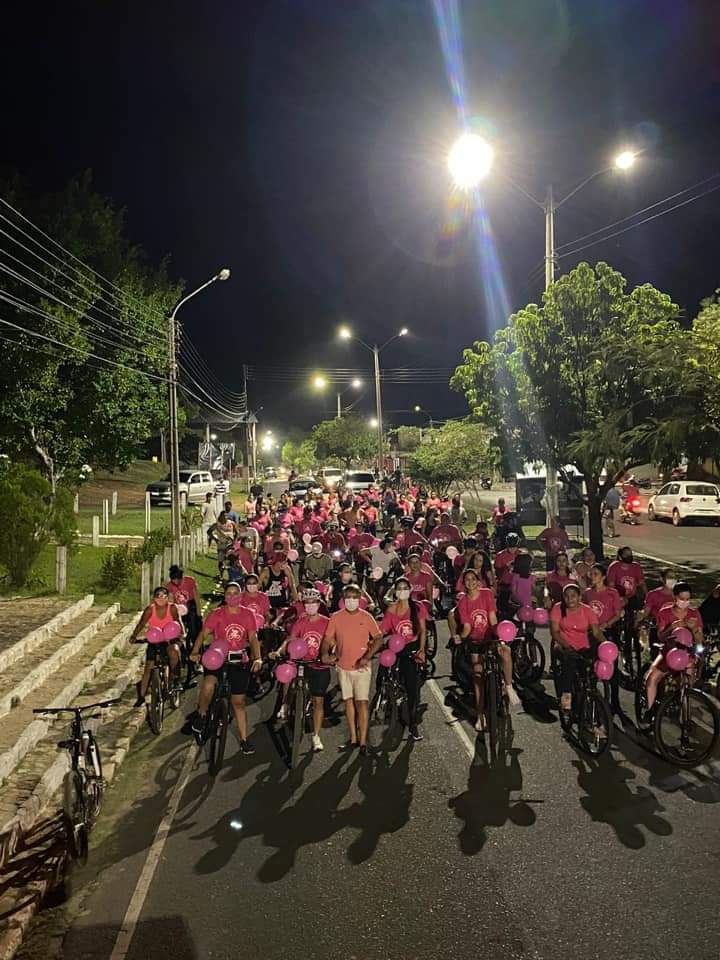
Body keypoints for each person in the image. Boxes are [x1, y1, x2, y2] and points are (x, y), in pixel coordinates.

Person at [188, 583, 262, 752]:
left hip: (238, 659)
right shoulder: (217, 614)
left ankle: (244, 739)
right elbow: (203, 634)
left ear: (240, 595)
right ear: (225, 595)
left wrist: (257, 658)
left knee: (238, 702)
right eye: (229, 593)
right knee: (208, 684)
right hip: (217, 657)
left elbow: (252, 637)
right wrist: (194, 652)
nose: (232, 596)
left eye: (236, 593)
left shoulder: (248, 614)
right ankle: (202, 715)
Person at [321, 584, 384, 755]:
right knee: (348, 701)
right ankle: (354, 738)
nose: (351, 600)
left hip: (361, 669)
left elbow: (379, 638)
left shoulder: (367, 616)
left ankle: (363, 742)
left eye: (354, 597)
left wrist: (367, 657)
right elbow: (327, 639)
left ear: (359, 599)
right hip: (343, 667)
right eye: (348, 597)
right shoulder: (336, 617)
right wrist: (324, 654)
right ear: (343, 599)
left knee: (362, 703)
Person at [456, 569, 520, 732]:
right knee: (477, 676)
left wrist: (498, 636)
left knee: (505, 651)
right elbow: (467, 627)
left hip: (490, 636)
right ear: (464, 584)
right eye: (467, 580)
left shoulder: (486, 595)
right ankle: (480, 715)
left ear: (479, 581)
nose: (470, 582)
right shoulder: (463, 602)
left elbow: (492, 618)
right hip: (475, 641)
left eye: (473, 579)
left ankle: (509, 686)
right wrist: (460, 637)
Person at [271, 589, 330, 751]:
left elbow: (332, 642)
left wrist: (330, 656)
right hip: (300, 661)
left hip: (318, 664)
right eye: (307, 603)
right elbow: (291, 639)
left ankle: (316, 736)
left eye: (313, 602)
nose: (310, 606)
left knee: (319, 701)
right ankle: (285, 703)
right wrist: (279, 650)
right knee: (288, 674)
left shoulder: (327, 622)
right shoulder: (301, 621)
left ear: (319, 604)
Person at [643, 582, 703, 713]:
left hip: (687, 654)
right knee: (651, 679)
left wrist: (693, 629)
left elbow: (699, 640)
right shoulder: (665, 613)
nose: (685, 602)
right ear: (675, 597)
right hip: (668, 653)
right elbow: (661, 637)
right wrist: (671, 627)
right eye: (682, 599)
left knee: (687, 685)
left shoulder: (694, 614)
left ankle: (684, 715)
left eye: (688, 599)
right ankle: (650, 711)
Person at [380, 577, 427, 741]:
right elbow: (383, 629)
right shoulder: (391, 609)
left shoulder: (417, 607)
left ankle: (413, 724)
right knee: (383, 668)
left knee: (412, 686)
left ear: (410, 590)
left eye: (404, 588)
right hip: (394, 647)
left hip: (411, 649)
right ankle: (383, 694)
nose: (402, 591)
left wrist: (421, 650)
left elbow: (422, 630)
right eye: (398, 588)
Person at [550, 583, 604, 714]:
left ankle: (590, 697)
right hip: (563, 645)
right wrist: (566, 645)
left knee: (588, 670)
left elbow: (596, 633)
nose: (570, 599)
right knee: (569, 661)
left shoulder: (587, 610)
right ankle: (566, 694)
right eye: (567, 597)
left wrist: (606, 645)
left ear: (580, 597)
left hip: (583, 647)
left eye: (573, 596)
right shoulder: (558, 608)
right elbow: (555, 632)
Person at [130, 587, 183, 706]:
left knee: (174, 652)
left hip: (170, 639)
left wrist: (182, 634)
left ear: (167, 597)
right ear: (154, 598)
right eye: (157, 596)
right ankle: (141, 697)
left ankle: (175, 680)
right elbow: (141, 624)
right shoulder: (150, 609)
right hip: (155, 640)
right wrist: (133, 636)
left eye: (162, 596)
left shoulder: (172, 608)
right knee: (148, 667)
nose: (160, 599)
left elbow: (179, 622)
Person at [209, 510, 236, 575]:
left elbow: (237, 532)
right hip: (221, 545)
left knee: (230, 560)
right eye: (224, 516)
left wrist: (234, 541)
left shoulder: (231, 523)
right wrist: (215, 539)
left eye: (227, 516)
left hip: (230, 545)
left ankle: (231, 574)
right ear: (221, 516)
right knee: (221, 560)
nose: (225, 517)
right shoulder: (217, 524)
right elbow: (209, 532)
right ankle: (221, 574)